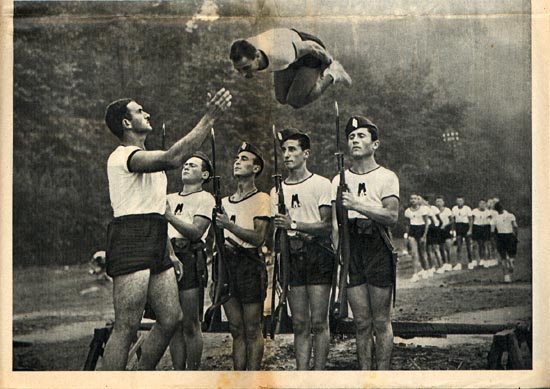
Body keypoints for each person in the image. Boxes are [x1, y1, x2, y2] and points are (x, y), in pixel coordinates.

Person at [101, 88, 232, 370]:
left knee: (172, 317)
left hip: (157, 238)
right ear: (126, 123)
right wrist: (209, 117)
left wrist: (169, 252)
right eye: (139, 111)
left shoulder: (149, 163)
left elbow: (157, 211)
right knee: (127, 325)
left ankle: (142, 375)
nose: (146, 113)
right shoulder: (123, 156)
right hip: (130, 237)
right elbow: (173, 157)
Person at [331, 116, 399, 370]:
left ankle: (381, 377)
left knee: (380, 321)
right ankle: (364, 376)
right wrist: (339, 253)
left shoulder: (387, 177)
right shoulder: (338, 179)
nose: (355, 140)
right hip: (352, 249)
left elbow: (391, 216)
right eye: (351, 137)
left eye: (361, 136)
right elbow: (335, 223)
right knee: (361, 321)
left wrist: (358, 205)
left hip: (377, 246)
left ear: (375, 144)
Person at [271, 128, 333, 370]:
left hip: (317, 254)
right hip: (292, 257)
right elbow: (276, 230)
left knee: (319, 321)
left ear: (305, 153)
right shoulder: (277, 190)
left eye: (292, 149)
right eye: (284, 150)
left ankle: (318, 375)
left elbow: (326, 225)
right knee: (299, 322)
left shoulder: (320, 184)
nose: (287, 154)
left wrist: (294, 224)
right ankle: (302, 374)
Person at [215, 143, 270, 370]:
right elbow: (217, 241)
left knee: (251, 328)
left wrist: (229, 224)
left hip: (249, 264)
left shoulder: (262, 198)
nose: (237, 161)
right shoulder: (224, 201)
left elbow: (258, 237)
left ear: (256, 168)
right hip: (227, 265)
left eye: (245, 159)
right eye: (237, 158)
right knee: (235, 329)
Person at [165, 153, 216, 370]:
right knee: (172, 322)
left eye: (192, 165)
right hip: (167, 256)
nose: (186, 167)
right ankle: (179, 374)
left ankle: (193, 373)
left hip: (190, 257)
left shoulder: (205, 198)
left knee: (190, 322)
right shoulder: (168, 197)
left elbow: (196, 232)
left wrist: (169, 216)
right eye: (185, 164)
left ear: (204, 174)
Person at [230, 28, 351, 109]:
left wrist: (327, 62)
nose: (243, 74)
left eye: (246, 68)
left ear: (257, 56)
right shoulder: (246, 49)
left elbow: (312, 47)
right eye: (239, 69)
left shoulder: (280, 54)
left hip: (310, 53)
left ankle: (334, 73)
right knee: (282, 98)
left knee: (295, 101)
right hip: (289, 52)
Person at [404, 194, 430, 282]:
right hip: (412, 231)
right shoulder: (407, 211)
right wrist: (407, 236)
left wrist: (424, 236)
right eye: (411, 199)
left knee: (422, 253)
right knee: (414, 254)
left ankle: (426, 269)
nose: (413, 200)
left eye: (415, 198)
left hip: (421, 230)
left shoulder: (423, 209)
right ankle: (415, 273)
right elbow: (407, 225)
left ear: (418, 200)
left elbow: (427, 223)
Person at [491, 201, 519, 283]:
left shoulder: (495, 218)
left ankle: (506, 277)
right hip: (510, 235)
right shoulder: (510, 215)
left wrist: (494, 239)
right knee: (512, 254)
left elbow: (492, 231)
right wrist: (515, 236)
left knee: (503, 257)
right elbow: (515, 226)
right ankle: (511, 260)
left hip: (500, 236)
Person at [451, 196, 474, 270]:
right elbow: (453, 220)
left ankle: (470, 262)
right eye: (458, 201)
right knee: (459, 246)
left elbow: (470, 220)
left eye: (461, 201)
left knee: (468, 246)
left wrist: (470, 229)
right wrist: (453, 230)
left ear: (463, 201)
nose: (459, 202)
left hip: (465, 226)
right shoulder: (454, 208)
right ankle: (459, 263)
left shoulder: (467, 208)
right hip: (458, 227)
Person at [423, 197, 444, 274]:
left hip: (434, 230)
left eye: (422, 200)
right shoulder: (421, 209)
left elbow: (439, 220)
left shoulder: (433, 208)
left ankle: (441, 266)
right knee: (429, 249)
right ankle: (433, 266)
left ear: (426, 201)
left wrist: (437, 228)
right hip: (427, 230)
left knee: (436, 248)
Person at [434, 196, 453, 272]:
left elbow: (452, 220)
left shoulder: (447, 210)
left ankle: (449, 263)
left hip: (446, 229)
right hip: (438, 230)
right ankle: (444, 263)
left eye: (440, 201)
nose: (438, 203)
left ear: (443, 202)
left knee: (448, 246)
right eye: (437, 201)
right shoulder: (434, 211)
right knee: (441, 247)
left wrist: (445, 225)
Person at [472, 199, 492, 268]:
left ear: (485, 204)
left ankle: (487, 260)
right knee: (479, 244)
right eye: (480, 203)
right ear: (478, 204)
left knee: (486, 244)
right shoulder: (474, 211)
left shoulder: (488, 212)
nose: (482, 205)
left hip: (485, 228)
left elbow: (490, 221)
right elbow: (472, 220)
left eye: (483, 203)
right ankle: (481, 259)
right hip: (477, 228)